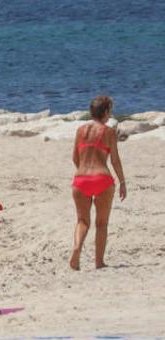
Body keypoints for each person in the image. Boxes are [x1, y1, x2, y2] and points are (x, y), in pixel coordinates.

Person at [69, 95, 128, 270]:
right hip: (102, 179)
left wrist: (84, 172)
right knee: (101, 224)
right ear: (106, 112)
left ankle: (77, 248)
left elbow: (75, 157)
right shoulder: (109, 131)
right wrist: (123, 182)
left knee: (82, 220)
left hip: (80, 180)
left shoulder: (80, 130)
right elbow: (115, 160)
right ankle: (99, 262)